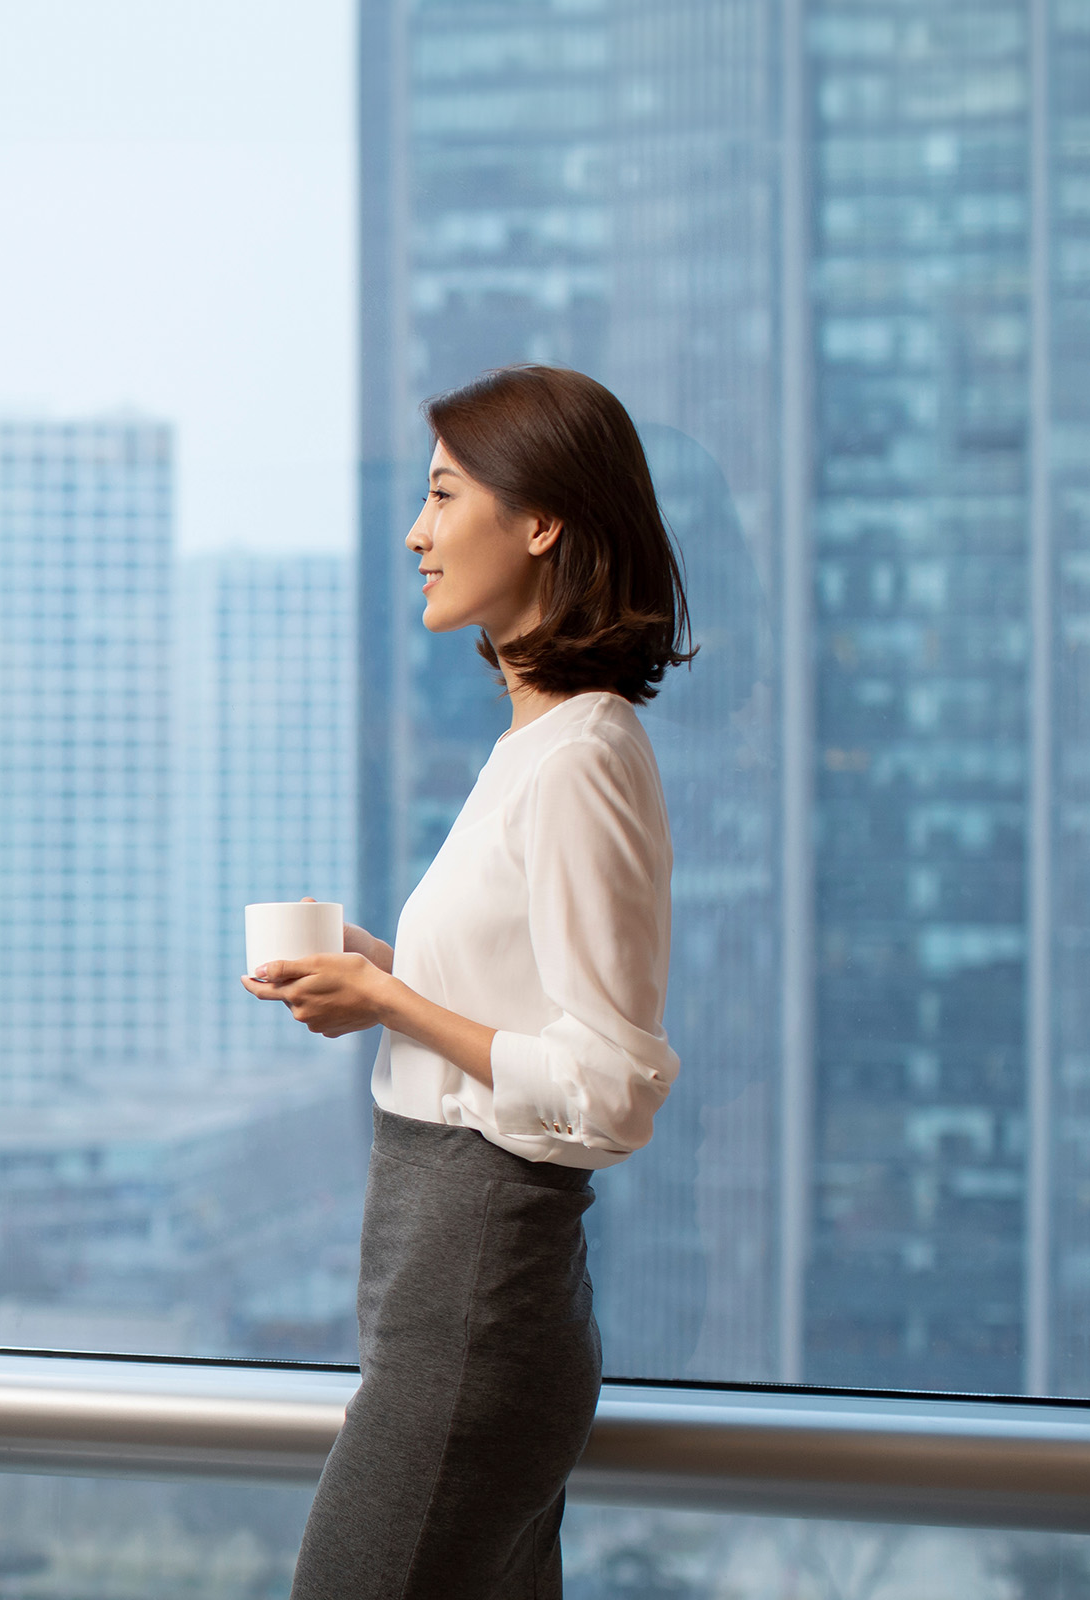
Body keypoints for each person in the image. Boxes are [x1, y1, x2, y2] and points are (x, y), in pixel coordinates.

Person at [246, 365, 693, 1598]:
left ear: (540, 520)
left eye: (445, 494)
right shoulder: (536, 747)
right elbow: (522, 1008)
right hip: (452, 1296)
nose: (417, 532)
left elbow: (610, 1085)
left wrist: (391, 1003)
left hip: (476, 1302)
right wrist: (390, 969)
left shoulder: (581, 757)